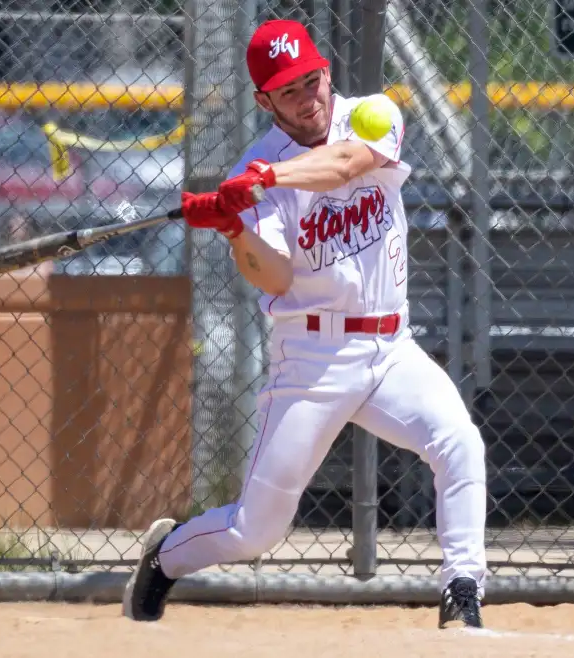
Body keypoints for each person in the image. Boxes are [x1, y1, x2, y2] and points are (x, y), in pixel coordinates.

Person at [122, 18, 488, 629]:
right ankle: (167, 555)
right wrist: (234, 224)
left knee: (459, 442)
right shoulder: (256, 165)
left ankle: (462, 591)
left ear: (327, 72)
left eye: (312, 79)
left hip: (391, 348)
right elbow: (275, 278)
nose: (309, 97)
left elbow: (345, 165)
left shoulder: (370, 115)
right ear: (264, 100)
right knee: (254, 530)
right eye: (289, 91)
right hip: (312, 359)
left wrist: (265, 180)